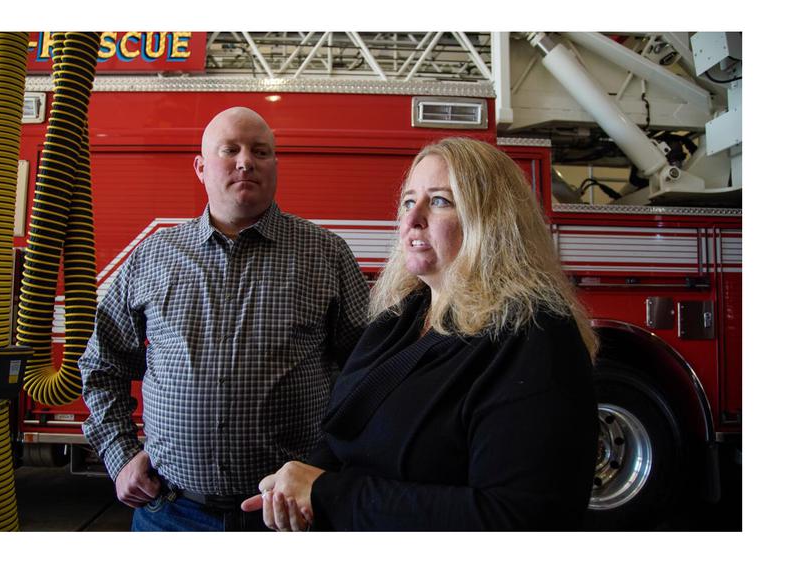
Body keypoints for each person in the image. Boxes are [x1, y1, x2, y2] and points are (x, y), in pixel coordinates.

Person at [242, 137, 599, 531]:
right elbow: (347, 427)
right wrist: (301, 480)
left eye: (440, 201)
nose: (411, 220)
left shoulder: (535, 335)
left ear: (493, 220)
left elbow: (517, 519)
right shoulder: (400, 319)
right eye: (409, 202)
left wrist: (328, 492)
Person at [79, 107, 369, 531]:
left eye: (261, 151)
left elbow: (364, 377)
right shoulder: (153, 257)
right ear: (200, 167)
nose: (245, 161)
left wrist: (334, 470)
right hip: (171, 515)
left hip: (288, 517)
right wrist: (121, 454)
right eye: (229, 149)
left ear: (275, 165)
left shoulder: (326, 255)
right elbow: (102, 365)